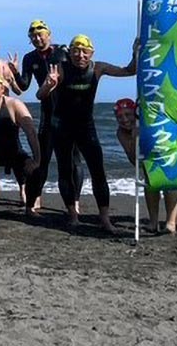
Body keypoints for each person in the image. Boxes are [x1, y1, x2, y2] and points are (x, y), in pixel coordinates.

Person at [40, 34, 138, 232]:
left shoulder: (98, 68)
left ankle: (105, 219)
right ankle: (73, 215)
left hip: (85, 126)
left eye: (85, 51)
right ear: (70, 53)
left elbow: (130, 70)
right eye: (76, 51)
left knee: (98, 171)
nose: (80, 55)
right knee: (65, 171)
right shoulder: (61, 69)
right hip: (62, 126)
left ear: (91, 53)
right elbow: (40, 95)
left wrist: (135, 53)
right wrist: (49, 85)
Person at [8, 19, 80, 214]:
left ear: (49, 34)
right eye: (33, 36)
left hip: (68, 111)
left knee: (74, 160)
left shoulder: (63, 52)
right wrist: (15, 73)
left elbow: (78, 72)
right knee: (42, 158)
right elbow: (23, 86)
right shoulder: (30, 58)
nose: (37, 39)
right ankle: (35, 198)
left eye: (40, 35)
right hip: (48, 111)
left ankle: (75, 200)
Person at [0, 73, 41, 212]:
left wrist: (37, 159)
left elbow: (30, 131)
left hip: (13, 152)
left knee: (34, 170)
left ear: (3, 88)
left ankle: (27, 197)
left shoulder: (13, 104)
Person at [114, 98, 177, 234]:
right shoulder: (121, 132)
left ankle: (171, 223)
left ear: (135, 114)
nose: (124, 120)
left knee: (170, 183)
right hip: (147, 162)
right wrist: (134, 138)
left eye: (128, 114)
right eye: (119, 117)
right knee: (149, 182)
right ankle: (153, 222)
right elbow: (134, 161)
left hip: (165, 153)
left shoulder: (148, 122)